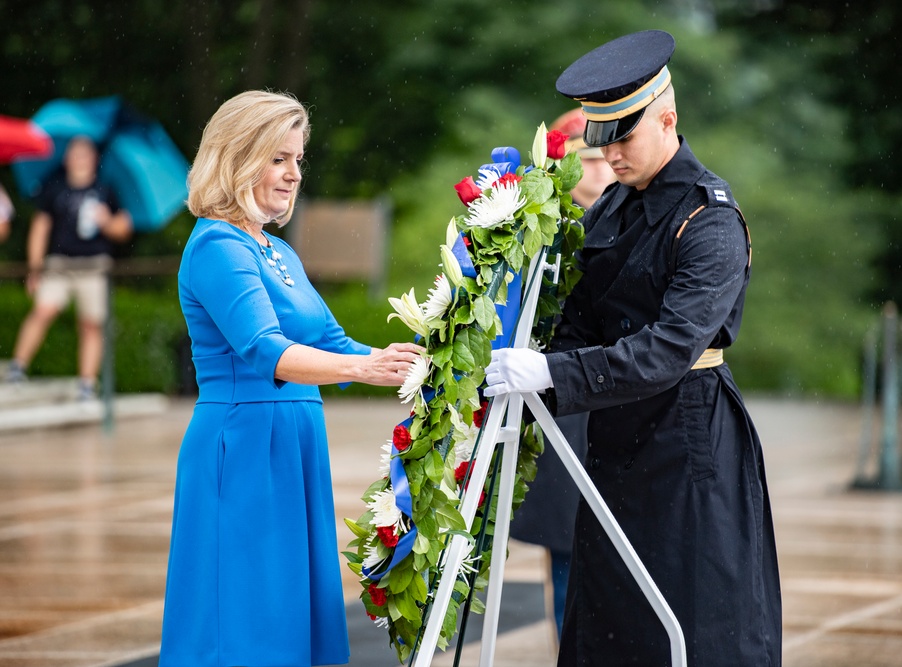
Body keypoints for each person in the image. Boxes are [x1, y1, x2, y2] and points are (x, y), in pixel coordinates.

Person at [484, 30, 781, 665]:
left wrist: (551, 372)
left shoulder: (710, 219)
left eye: (623, 136)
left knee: (693, 624)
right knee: (611, 628)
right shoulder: (613, 205)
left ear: (668, 119)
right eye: (601, 139)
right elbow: (581, 315)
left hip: (688, 443)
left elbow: (668, 349)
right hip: (616, 442)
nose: (610, 154)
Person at [157, 90, 421, 667]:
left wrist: (417, 364)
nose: (293, 174)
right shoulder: (217, 245)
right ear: (238, 157)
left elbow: (332, 342)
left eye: (298, 160)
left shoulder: (275, 249)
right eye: (278, 158)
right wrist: (360, 368)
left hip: (293, 440)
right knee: (245, 616)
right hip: (244, 443)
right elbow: (264, 351)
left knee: (288, 610)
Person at [508, 107, 615, 641]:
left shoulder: (633, 217)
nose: (602, 169)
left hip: (621, 396)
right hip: (564, 405)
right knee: (571, 559)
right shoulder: (541, 231)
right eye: (588, 158)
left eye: (604, 158)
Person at [6, 136, 132, 399]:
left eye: (84, 154)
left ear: (94, 159)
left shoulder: (106, 190)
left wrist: (107, 222)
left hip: (95, 266)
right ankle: (17, 367)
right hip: (59, 264)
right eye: (75, 154)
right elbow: (40, 229)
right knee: (43, 311)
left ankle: (86, 384)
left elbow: (124, 229)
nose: (79, 159)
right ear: (67, 159)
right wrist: (35, 269)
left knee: (91, 324)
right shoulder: (53, 188)